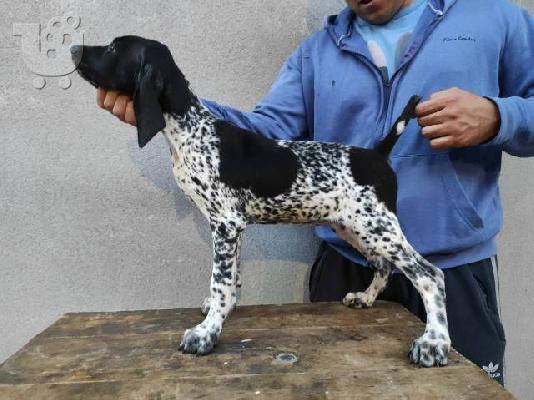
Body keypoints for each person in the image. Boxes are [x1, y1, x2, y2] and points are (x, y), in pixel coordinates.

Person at [96, 0, 534, 384]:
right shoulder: (315, 54)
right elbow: (262, 137)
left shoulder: (494, 17)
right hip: (343, 270)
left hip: (458, 273)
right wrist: (171, 106)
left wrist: (502, 116)